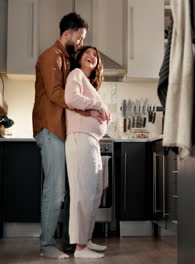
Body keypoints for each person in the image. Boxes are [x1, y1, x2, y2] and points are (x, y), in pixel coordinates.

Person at [32, 13, 106, 259]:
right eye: (80, 37)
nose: (81, 42)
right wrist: (92, 108)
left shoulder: (66, 59)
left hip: (63, 131)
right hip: (50, 128)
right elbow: (56, 94)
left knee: (69, 190)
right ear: (68, 33)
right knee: (55, 190)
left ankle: (71, 243)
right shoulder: (49, 57)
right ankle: (46, 246)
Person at [64, 46, 111, 259]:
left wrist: (103, 112)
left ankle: (87, 240)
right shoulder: (76, 75)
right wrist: (98, 106)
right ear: (79, 58)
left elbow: (91, 106)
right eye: (87, 53)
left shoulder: (90, 84)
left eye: (95, 55)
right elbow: (71, 98)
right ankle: (80, 248)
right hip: (80, 138)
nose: (91, 56)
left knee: (95, 192)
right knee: (83, 194)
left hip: (91, 140)